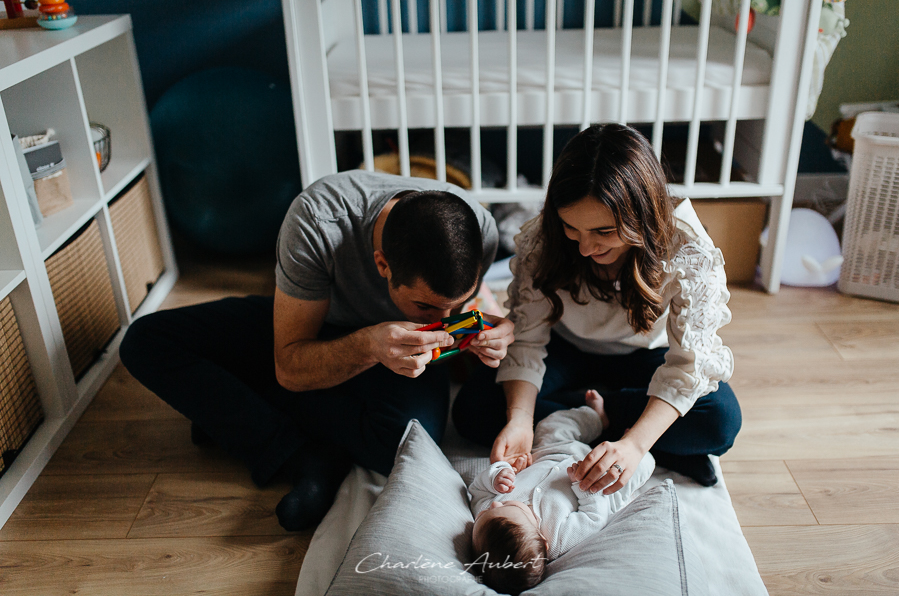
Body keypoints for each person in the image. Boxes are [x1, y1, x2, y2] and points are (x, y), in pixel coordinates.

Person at [120, 169, 514, 531]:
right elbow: (291, 365)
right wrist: (369, 345)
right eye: (426, 307)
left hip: (397, 351)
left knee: (406, 445)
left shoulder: (478, 228)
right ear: (382, 265)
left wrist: (487, 330)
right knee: (145, 341)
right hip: (314, 325)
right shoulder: (318, 222)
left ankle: (242, 407)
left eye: (451, 306)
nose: (443, 318)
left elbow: (466, 307)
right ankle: (298, 455)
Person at [453, 123, 741, 497]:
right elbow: (527, 337)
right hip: (565, 348)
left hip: (643, 356)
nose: (586, 248)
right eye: (573, 228)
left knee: (719, 420)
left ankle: (589, 420)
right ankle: (602, 421)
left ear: (640, 215)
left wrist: (635, 445)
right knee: (472, 410)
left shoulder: (687, 248)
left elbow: (690, 362)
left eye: (604, 232)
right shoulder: (545, 239)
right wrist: (520, 420)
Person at [468, 391, 655, 595]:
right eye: (506, 506)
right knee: (641, 467)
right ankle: (634, 443)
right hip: (598, 484)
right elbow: (594, 518)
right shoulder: (559, 538)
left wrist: (496, 476)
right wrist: (582, 487)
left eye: (484, 514)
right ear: (543, 540)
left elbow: (477, 489)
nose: (495, 504)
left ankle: (596, 418)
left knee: (551, 426)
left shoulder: (487, 514)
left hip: (554, 451)